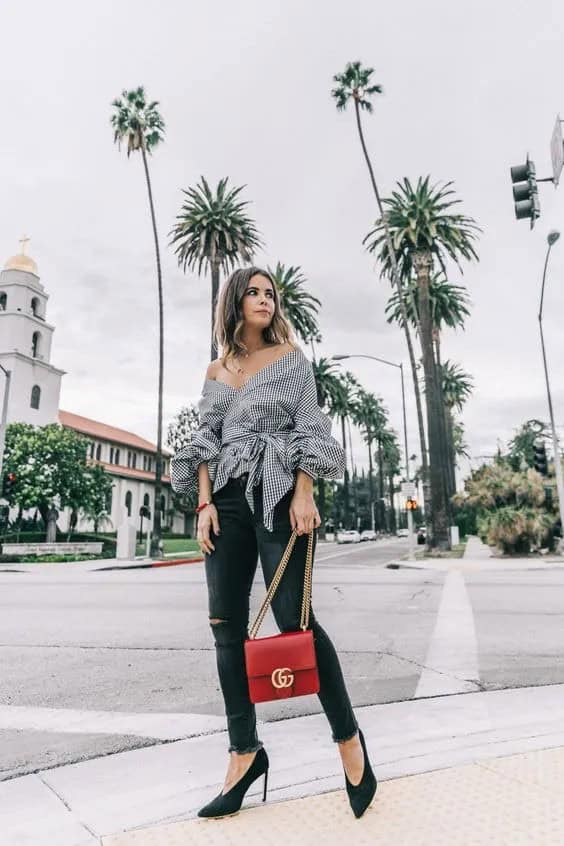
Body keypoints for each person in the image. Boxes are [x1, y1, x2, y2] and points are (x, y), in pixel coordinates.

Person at [171, 266, 377, 820]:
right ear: (235, 302)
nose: (264, 299)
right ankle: (244, 754)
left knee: (296, 620)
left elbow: (311, 424)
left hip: (280, 490)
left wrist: (305, 490)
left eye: (270, 293)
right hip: (228, 504)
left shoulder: (290, 358)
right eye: (254, 292)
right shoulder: (217, 369)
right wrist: (204, 503)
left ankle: (349, 743)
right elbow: (205, 440)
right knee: (224, 627)